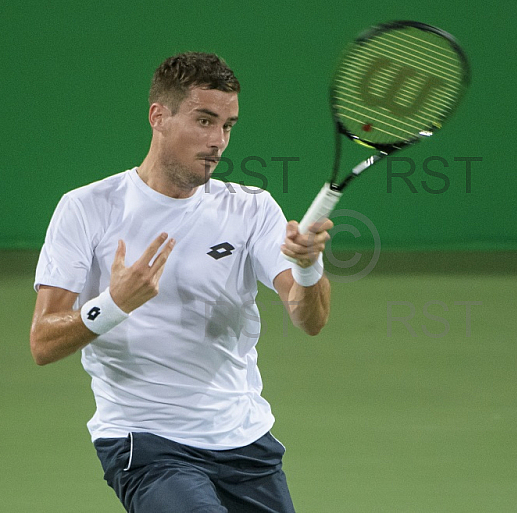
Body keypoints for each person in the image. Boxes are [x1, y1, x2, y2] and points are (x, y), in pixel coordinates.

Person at [30, 52, 332, 513]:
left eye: (228, 126)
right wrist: (114, 303)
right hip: (146, 442)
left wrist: (309, 268)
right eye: (204, 121)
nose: (218, 141)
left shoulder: (251, 209)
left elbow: (308, 318)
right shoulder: (85, 208)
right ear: (159, 117)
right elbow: (43, 341)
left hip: (245, 440)